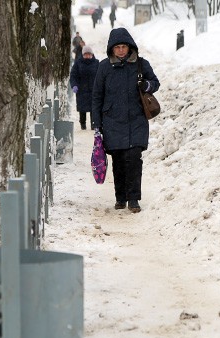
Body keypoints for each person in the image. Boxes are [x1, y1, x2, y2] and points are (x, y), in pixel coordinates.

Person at [91, 28, 160, 213]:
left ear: (130, 47)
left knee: (134, 159)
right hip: (112, 122)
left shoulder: (141, 64)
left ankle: (134, 199)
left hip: (136, 120)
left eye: (124, 47)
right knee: (119, 161)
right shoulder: (104, 67)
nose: (121, 50)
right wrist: (96, 124)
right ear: (111, 49)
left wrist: (147, 85)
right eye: (117, 47)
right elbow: (97, 96)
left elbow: (155, 82)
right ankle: (120, 197)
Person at [69, 45, 99, 130]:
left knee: (94, 108)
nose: (87, 56)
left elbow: (101, 76)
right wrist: (74, 85)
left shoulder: (97, 63)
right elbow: (73, 75)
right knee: (82, 109)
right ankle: (83, 124)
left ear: (92, 54)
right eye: (86, 54)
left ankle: (94, 124)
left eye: (89, 54)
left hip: (94, 90)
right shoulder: (78, 63)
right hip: (82, 90)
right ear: (83, 55)